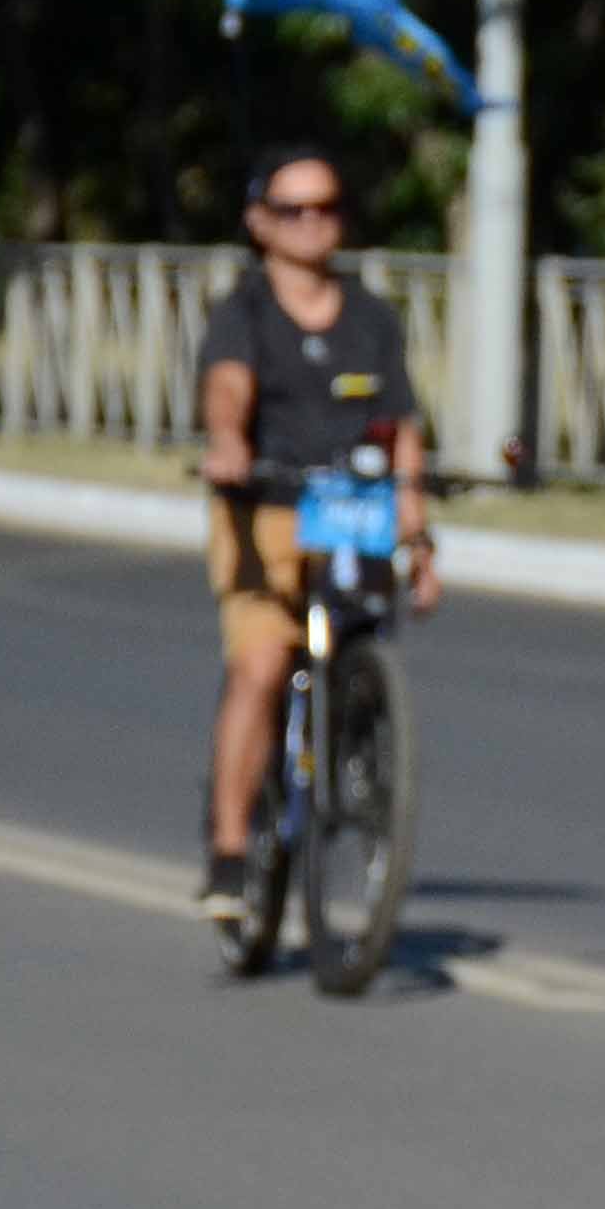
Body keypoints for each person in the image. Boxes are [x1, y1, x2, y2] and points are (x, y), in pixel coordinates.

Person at [192, 148, 438, 924]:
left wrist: (419, 533)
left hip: (355, 516)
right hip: (268, 510)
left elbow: (402, 429)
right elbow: (227, 391)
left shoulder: (370, 318)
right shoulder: (246, 312)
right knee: (262, 665)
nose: (315, 223)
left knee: (362, 648)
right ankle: (231, 853)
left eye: (328, 206)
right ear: (260, 221)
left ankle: (357, 760)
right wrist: (228, 443)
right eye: (295, 209)